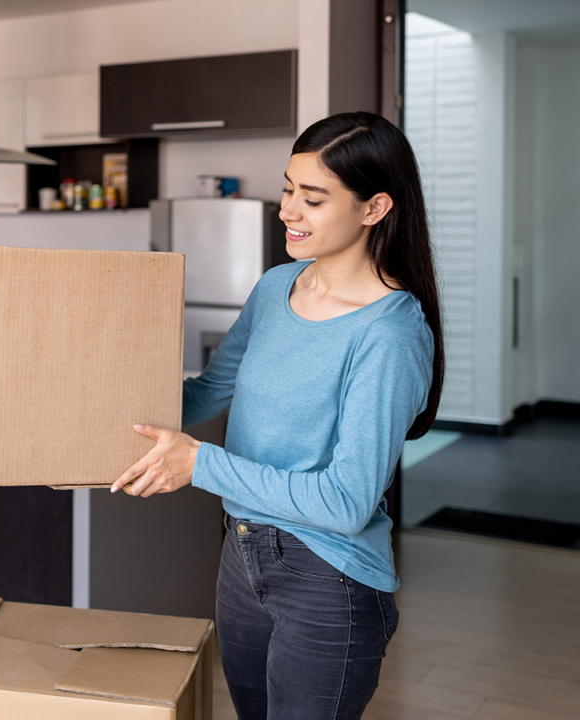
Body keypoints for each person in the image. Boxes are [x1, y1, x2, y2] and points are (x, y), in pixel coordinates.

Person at [110, 112, 444, 719]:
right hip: (241, 556)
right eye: (288, 188)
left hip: (328, 581)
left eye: (313, 198)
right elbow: (211, 390)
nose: (288, 210)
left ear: (374, 209)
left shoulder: (389, 335)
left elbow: (346, 503)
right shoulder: (275, 288)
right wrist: (105, 406)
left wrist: (200, 463)